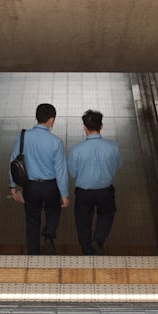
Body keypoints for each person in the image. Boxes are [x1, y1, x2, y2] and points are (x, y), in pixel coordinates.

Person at [9, 103, 69, 254]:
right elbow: (61, 171)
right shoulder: (56, 142)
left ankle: (33, 252)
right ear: (51, 120)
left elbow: (13, 162)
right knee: (54, 210)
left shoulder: (23, 137)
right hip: (50, 186)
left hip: (30, 187)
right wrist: (64, 194)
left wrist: (13, 187)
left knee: (32, 219)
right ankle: (49, 235)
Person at [66, 109, 122, 255]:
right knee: (107, 214)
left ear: (85, 127)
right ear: (101, 126)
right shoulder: (113, 146)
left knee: (83, 221)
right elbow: (118, 165)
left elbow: (72, 172)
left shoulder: (77, 150)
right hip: (105, 190)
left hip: (84, 192)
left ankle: (86, 250)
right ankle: (98, 240)